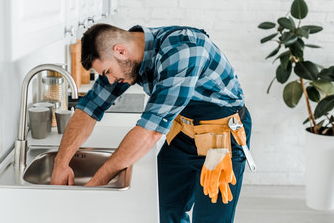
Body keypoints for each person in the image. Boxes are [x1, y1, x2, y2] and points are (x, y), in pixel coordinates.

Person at [50, 23, 252, 223]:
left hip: (222, 139)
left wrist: (96, 185)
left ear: (120, 51)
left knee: (209, 219)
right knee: (163, 211)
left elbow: (150, 132)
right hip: (183, 132)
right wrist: (60, 163)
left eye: (107, 72)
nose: (109, 81)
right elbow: (89, 108)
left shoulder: (183, 51)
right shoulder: (127, 60)